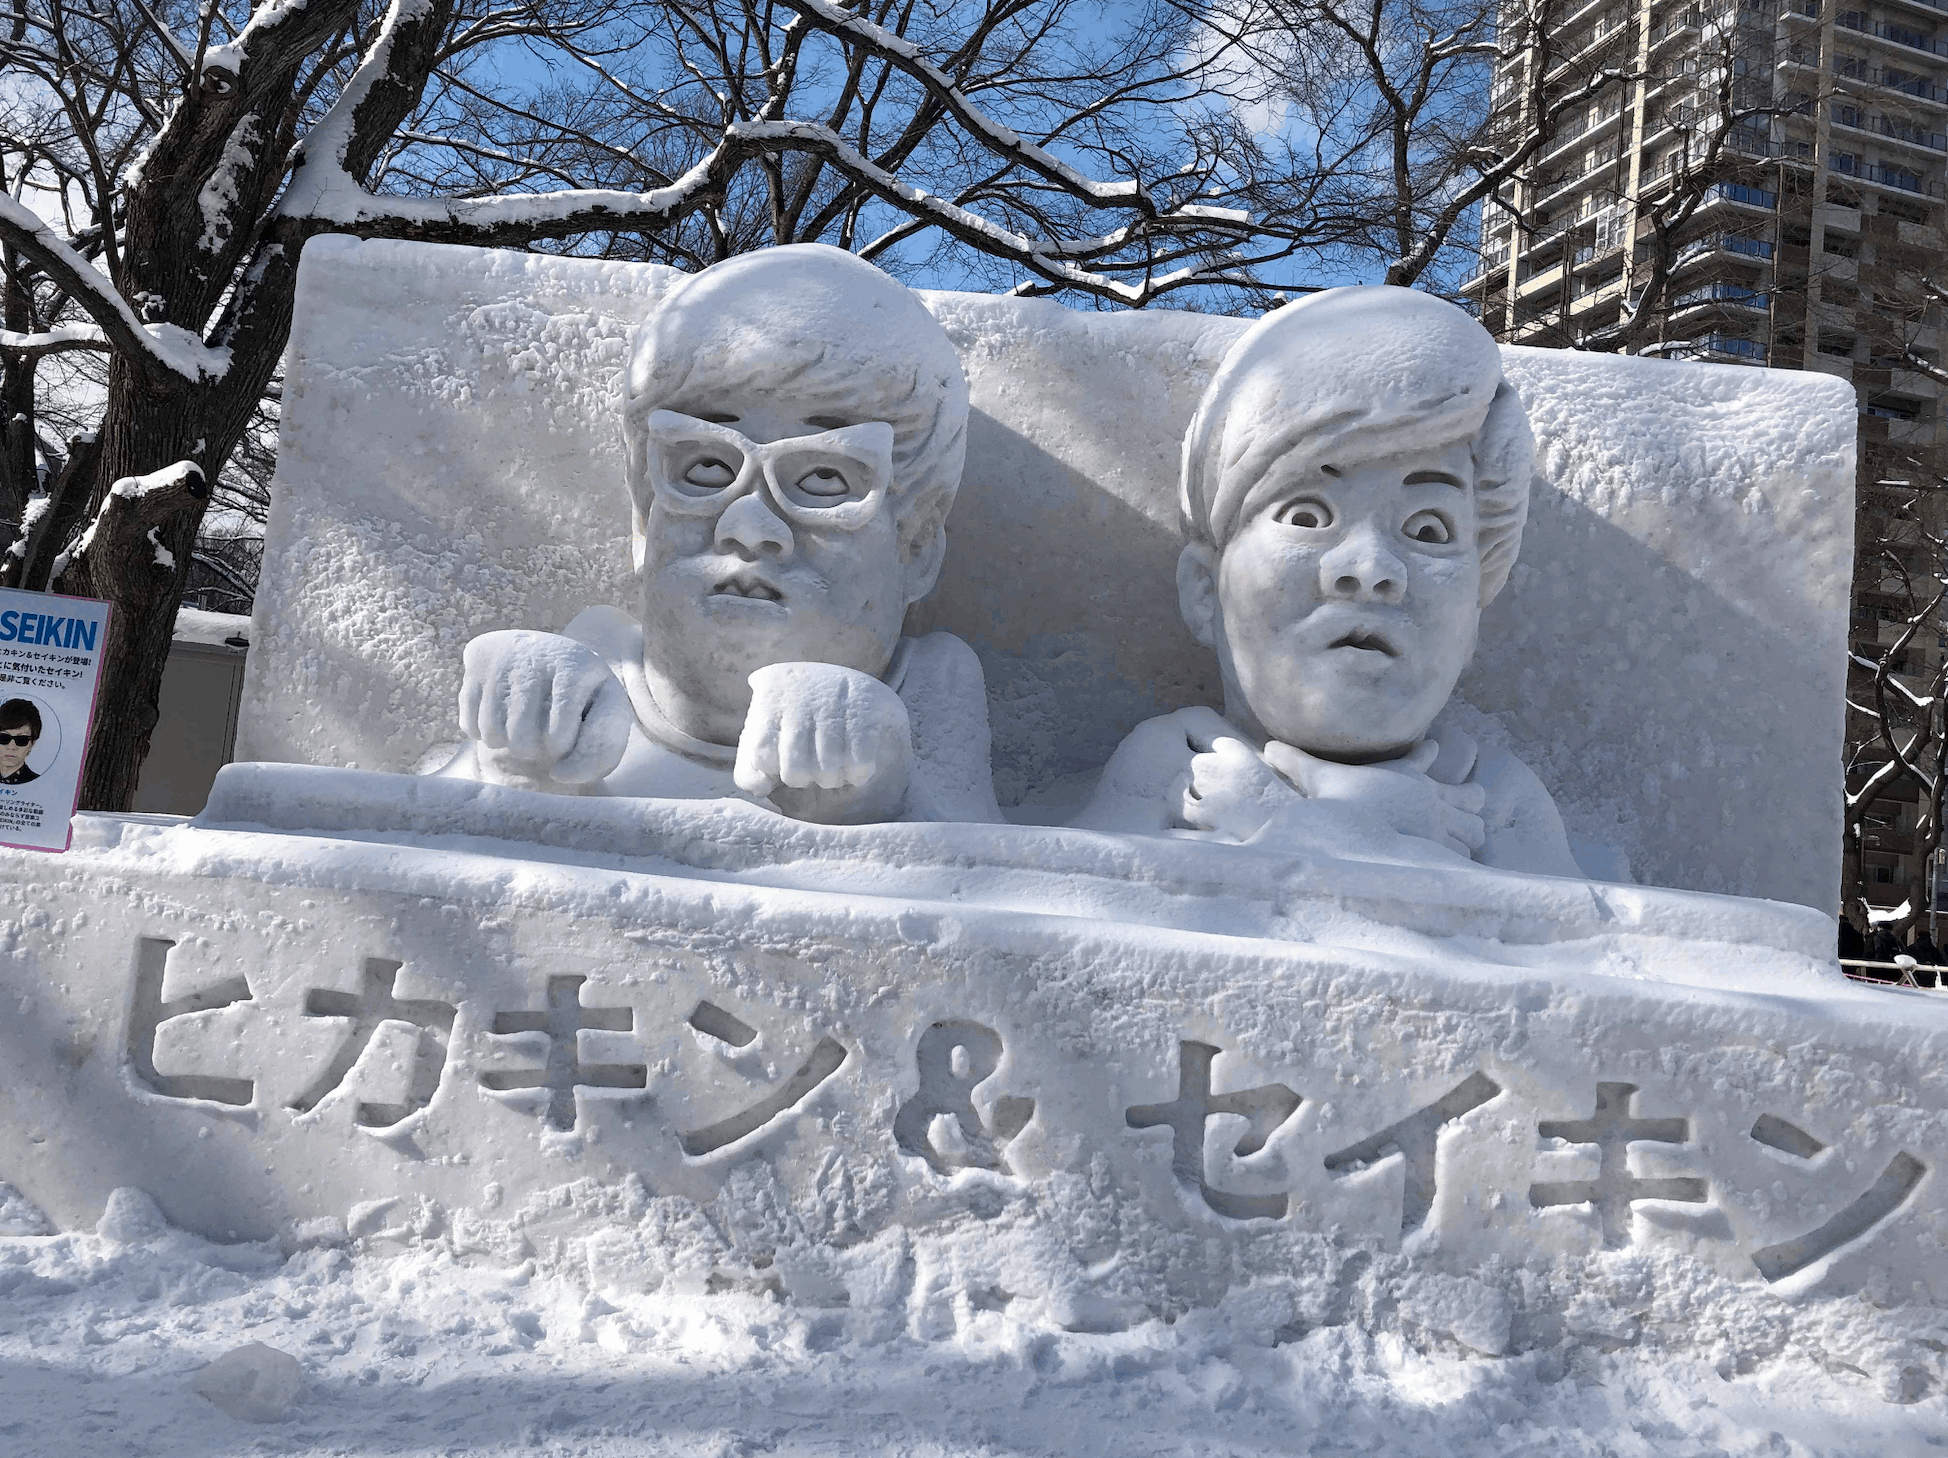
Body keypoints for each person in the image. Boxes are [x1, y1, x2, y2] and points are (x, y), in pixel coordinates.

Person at [436, 245, 1001, 825]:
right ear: (643, 519)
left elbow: (999, 887)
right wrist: (514, 766)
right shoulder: (595, 665)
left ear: (916, 548)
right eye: (705, 468)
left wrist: (877, 797)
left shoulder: (931, 687)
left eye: (825, 478)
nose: (749, 526)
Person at [1076, 285, 1584, 877]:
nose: (1370, 571)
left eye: (1427, 529)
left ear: (1474, 617)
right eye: (1308, 517)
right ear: (1203, 589)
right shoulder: (1180, 765)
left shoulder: (1493, 795)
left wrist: (1287, 823)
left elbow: (1563, 945)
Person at [0, 699, 41, 785]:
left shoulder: (41, 783)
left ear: (32, 744)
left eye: (21, 740)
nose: (11, 746)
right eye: (4, 738)